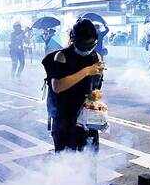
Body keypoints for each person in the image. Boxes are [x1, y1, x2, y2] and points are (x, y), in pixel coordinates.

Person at [42, 18, 104, 153]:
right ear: (73, 40)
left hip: (86, 117)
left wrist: (95, 97)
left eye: (91, 45)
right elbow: (57, 86)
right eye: (83, 46)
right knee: (65, 160)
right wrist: (87, 71)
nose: (87, 50)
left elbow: (96, 86)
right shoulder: (61, 56)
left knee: (90, 159)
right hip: (64, 117)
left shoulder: (96, 57)